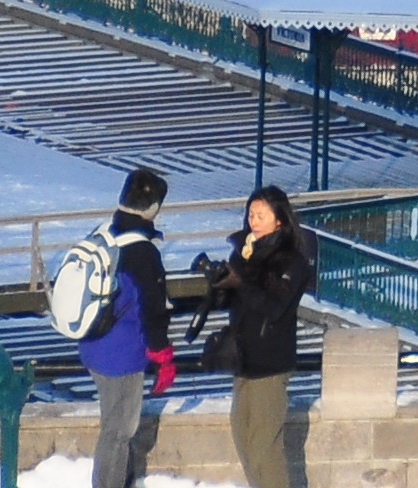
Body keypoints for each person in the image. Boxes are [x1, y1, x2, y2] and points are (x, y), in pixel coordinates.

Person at [193, 185, 313, 488]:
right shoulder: (243, 253)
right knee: (243, 439)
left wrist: (240, 282)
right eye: (251, 214)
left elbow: (274, 308)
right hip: (243, 357)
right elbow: (235, 302)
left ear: (280, 220)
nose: (254, 220)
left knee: (264, 445)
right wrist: (220, 286)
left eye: (261, 215)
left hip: (271, 363)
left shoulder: (292, 261)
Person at [79, 164, 174, 488]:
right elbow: (153, 309)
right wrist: (162, 355)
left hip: (93, 344)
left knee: (112, 423)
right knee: (119, 431)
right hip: (123, 355)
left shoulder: (104, 233)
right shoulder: (143, 252)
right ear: (154, 209)